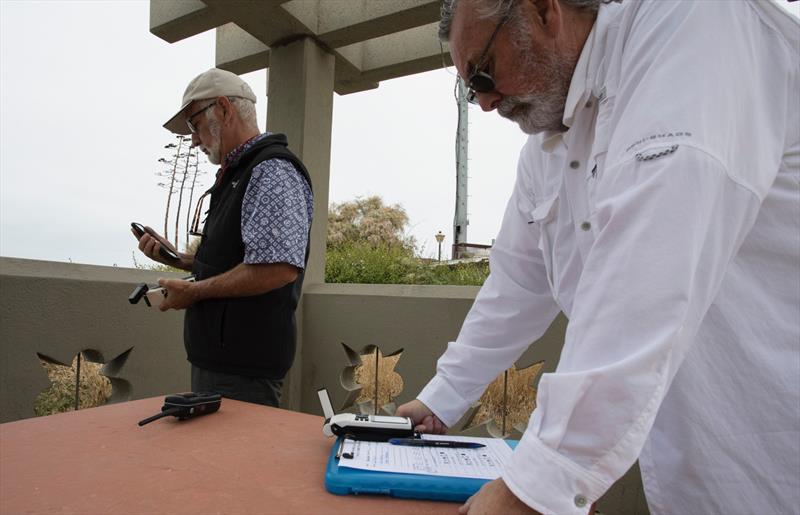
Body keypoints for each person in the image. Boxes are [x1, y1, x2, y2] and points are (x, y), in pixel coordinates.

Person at [397, 1, 799, 514]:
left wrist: (533, 491)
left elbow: (648, 272)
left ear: (544, 10)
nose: (483, 102)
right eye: (469, 88)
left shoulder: (697, 25)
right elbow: (517, 286)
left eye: (483, 72)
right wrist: (440, 400)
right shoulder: (545, 149)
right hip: (698, 473)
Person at [133, 68, 313, 408]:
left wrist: (195, 292)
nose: (195, 140)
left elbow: (278, 267)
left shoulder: (270, 169)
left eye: (194, 125)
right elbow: (240, 258)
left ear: (224, 109)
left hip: (243, 371)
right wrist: (177, 259)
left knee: (238, 462)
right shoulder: (241, 172)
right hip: (223, 364)